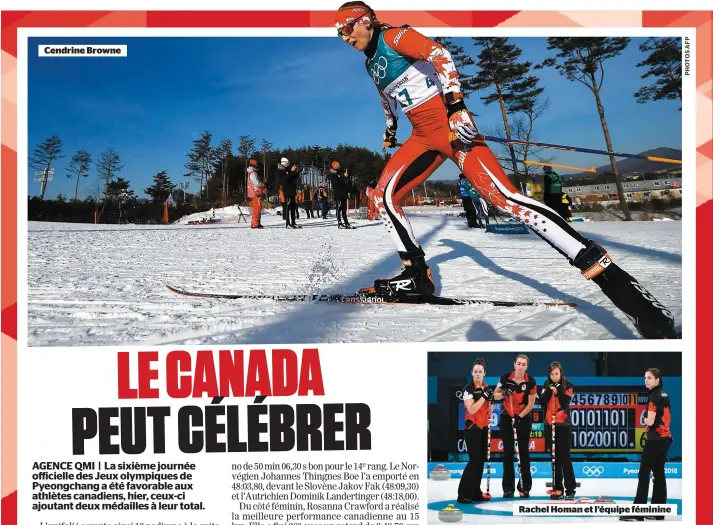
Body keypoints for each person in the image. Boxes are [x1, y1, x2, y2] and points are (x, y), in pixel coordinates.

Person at [334, 1, 676, 339]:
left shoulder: (395, 36)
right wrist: (391, 128)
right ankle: (417, 275)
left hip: (452, 130)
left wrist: (456, 106)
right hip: (421, 137)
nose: (345, 38)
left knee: (506, 200)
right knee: (384, 197)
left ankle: (613, 279)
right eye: (339, 35)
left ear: (364, 20)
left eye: (346, 29)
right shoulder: (370, 64)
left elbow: (440, 55)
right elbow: (387, 97)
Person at [620, 368, 673, 522]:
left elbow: (649, 421)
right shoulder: (664, 394)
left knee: (644, 474)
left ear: (657, 380)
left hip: (655, 439)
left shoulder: (654, 396)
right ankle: (658, 511)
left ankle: (638, 512)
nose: (646, 381)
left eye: (649, 378)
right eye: (645, 378)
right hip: (664, 439)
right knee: (659, 474)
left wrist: (643, 420)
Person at [494, 354, 536, 498]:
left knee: (523, 452)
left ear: (526, 366)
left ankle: (525, 487)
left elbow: (531, 404)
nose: (521, 366)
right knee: (507, 454)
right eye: (519, 363)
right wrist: (505, 392)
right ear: (514, 364)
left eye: (524, 364)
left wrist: (520, 416)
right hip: (507, 417)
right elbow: (495, 395)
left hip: (523, 418)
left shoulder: (530, 381)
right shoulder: (505, 378)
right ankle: (508, 488)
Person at [457, 358, 495, 504]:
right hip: (472, 428)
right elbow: (471, 409)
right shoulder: (468, 389)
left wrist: (490, 398)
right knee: (474, 461)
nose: (478, 374)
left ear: (484, 373)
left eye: (480, 371)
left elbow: (489, 409)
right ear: (472, 373)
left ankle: (475, 492)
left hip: (484, 428)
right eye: (475, 371)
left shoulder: (486, 387)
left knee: (480, 461)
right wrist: (484, 397)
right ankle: (463, 493)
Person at [539, 361, 576, 501]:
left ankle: (570, 489)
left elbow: (564, 402)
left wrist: (558, 389)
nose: (554, 377)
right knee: (554, 458)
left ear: (561, 373)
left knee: (564, 457)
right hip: (549, 425)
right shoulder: (545, 385)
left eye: (556, 374)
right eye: (552, 374)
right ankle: (557, 488)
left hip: (564, 426)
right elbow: (542, 402)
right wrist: (549, 390)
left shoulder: (569, 386)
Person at [327, 161, 355, 228]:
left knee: (344, 210)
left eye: (339, 164)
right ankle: (339, 223)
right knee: (339, 209)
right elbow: (335, 184)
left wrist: (346, 177)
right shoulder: (333, 174)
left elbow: (344, 181)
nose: (339, 166)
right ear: (334, 166)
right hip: (338, 194)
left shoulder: (341, 172)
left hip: (344, 193)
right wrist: (344, 177)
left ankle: (346, 223)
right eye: (338, 165)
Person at [277, 157, 301, 229]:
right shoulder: (280, 170)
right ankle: (288, 223)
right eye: (287, 163)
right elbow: (286, 179)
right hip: (286, 190)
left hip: (292, 190)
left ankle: (293, 222)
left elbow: (294, 177)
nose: (289, 164)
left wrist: (297, 171)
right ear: (284, 163)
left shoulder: (288, 169)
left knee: (293, 207)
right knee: (288, 207)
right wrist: (291, 171)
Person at [247, 158, 267, 229]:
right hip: (256, 192)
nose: (257, 166)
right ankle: (255, 224)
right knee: (257, 208)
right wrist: (264, 185)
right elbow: (257, 183)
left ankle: (257, 223)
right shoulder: (253, 174)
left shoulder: (252, 173)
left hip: (256, 192)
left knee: (258, 208)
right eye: (256, 165)